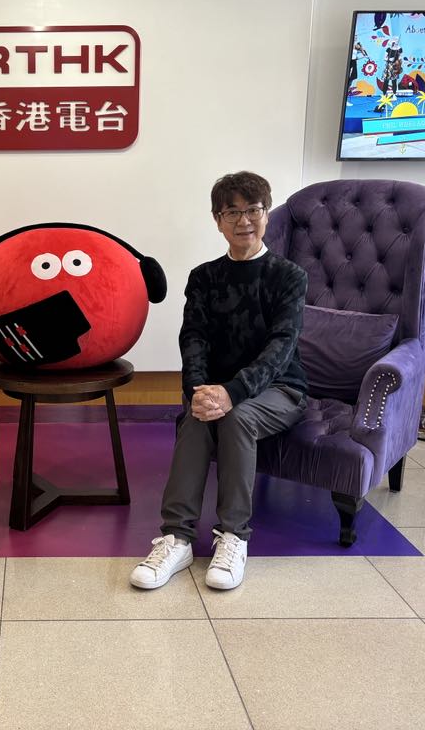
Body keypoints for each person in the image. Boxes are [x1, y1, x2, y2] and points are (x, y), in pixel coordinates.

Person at [130, 172, 308, 592]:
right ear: (217, 220)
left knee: (237, 417)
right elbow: (193, 338)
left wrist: (233, 392)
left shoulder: (289, 275)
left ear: (267, 214)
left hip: (280, 389)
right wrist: (198, 390)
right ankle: (176, 539)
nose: (244, 221)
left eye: (253, 210)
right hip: (218, 389)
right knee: (196, 417)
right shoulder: (204, 277)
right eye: (232, 212)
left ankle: (234, 536)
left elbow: (282, 346)